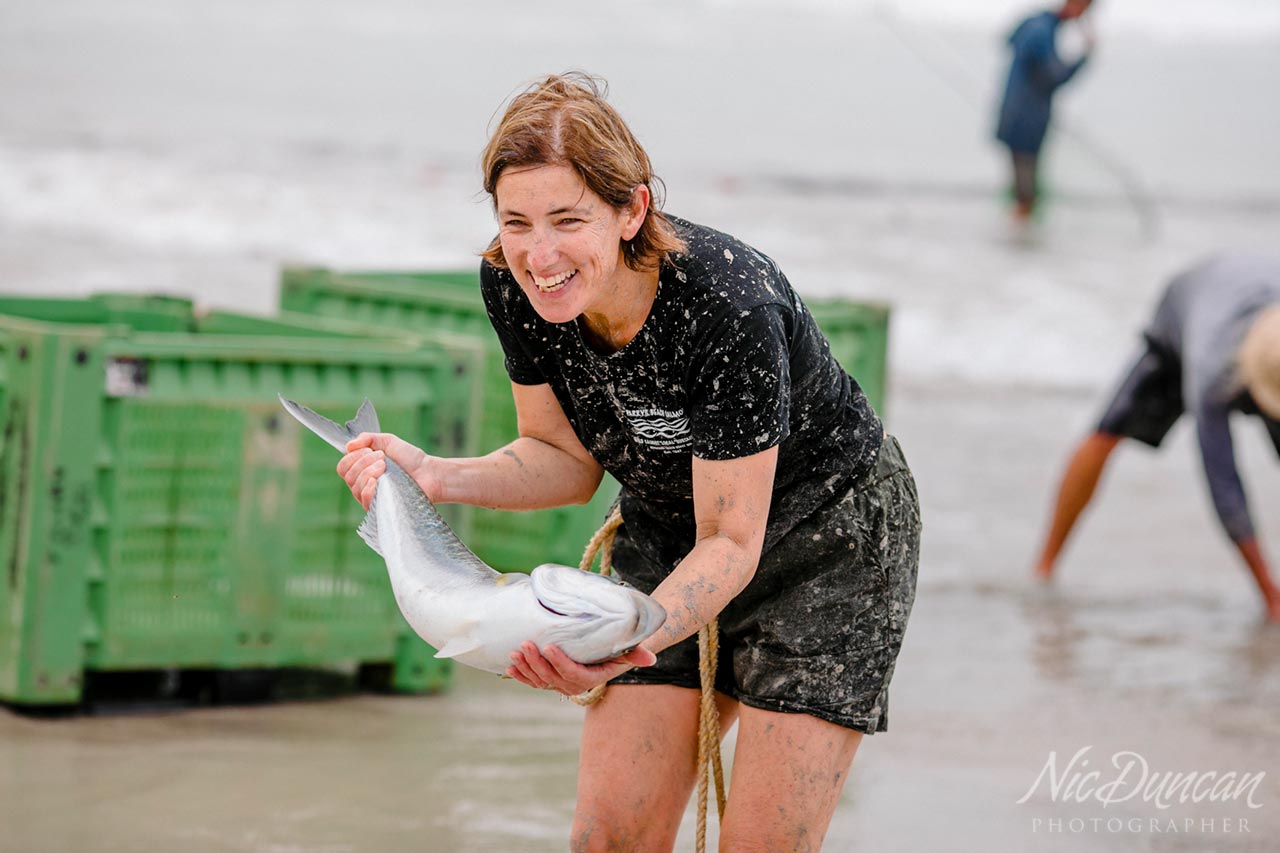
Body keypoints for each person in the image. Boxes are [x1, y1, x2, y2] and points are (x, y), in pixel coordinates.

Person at [336, 73, 920, 850]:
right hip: (670, 525)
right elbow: (561, 460)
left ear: (631, 209)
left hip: (829, 546)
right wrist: (432, 476)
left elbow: (733, 542)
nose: (540, 255)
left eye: (567, 220)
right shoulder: (516, 285)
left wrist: (622, 645)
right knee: (608, 839)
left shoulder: (728, 306)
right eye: (516, 221)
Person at [1033, 254, 1280, 622]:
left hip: (1260, 330)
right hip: (1182, 323)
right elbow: (1224, 484)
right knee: (1105, 435)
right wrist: (1271, 598)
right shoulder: (1208, 370)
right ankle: (1044, 567)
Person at [995, 0, 1096, 223]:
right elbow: (1053, 78)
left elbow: (1007, 41)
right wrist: (1084, 57)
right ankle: (1020, 242)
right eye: (1085, 10)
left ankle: (1015, 236)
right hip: (1027, 121)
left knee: (1020, 185)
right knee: (1026, 192)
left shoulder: (1034, 22)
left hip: (1012, 112)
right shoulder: (1043, 31)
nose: (1084, 17)